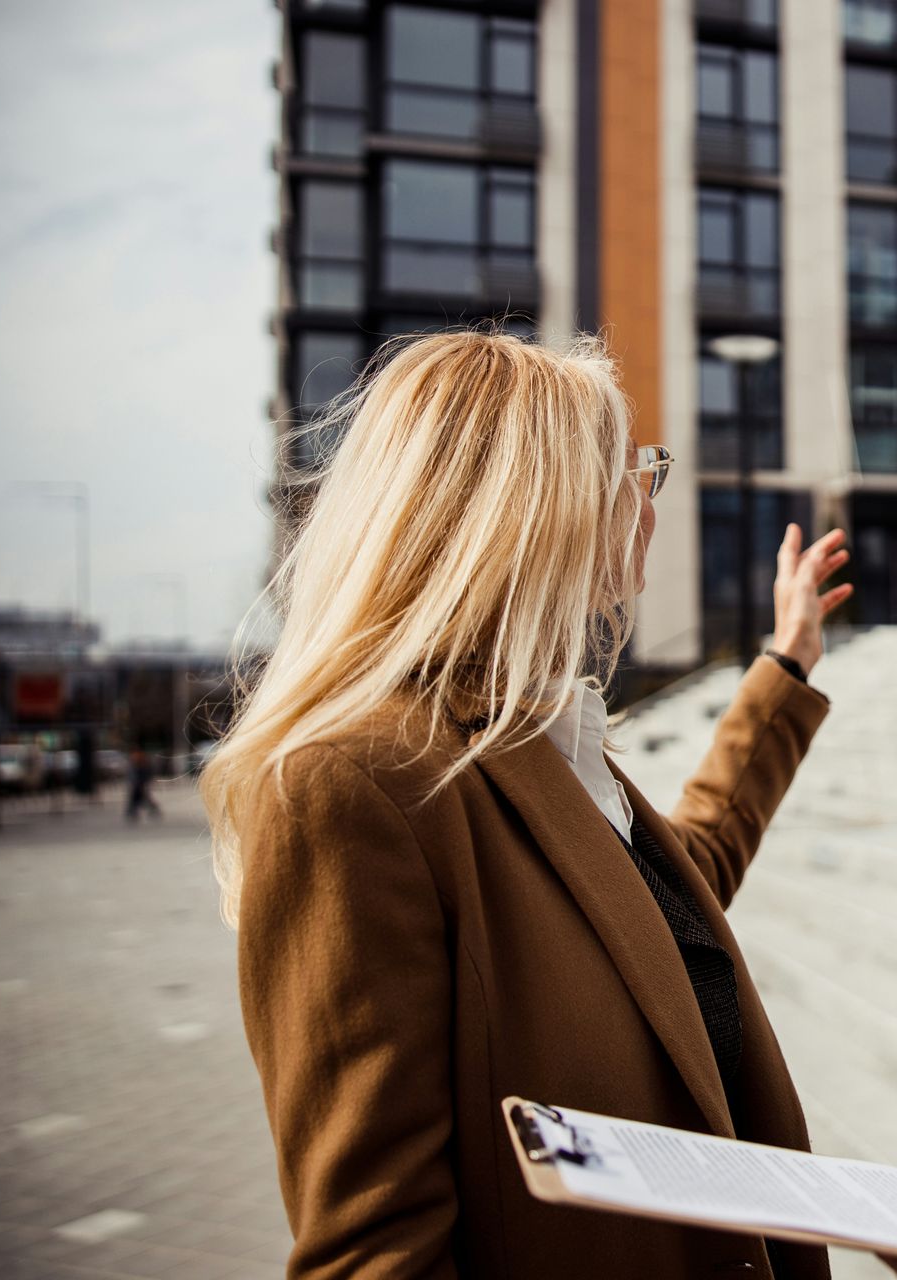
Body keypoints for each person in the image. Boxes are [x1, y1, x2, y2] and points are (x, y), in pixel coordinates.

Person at [202, 332, 853, 1278]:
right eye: (630, 472)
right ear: (535, 511)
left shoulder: (535, 741)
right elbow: (375, 1251)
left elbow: (672, 893)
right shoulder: (354, 786)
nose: (647, 501)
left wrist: (785, 666)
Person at [124, 747, 161, 821]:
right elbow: (132, 775)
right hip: (137, 784)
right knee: (139, 798)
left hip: (139, 784)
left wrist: (144, 782)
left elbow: (147, 774)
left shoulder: (143, 764)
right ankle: (132, 811)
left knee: (140, 798)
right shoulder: (135, 764)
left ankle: (132, 811)